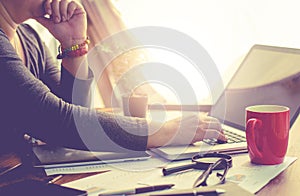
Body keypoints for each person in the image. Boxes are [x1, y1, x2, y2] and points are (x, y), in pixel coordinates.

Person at [0, 0, 226, 154]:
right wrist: (164, 131)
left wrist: (74, 44)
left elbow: (75, 115)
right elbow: (55, 120)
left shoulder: (30, 39)